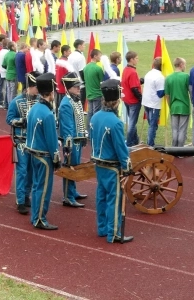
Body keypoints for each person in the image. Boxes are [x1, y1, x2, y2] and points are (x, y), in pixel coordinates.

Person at [90, 79, 133, 244]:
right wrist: (127, 166)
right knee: (114, 200)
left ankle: (102, 228)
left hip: (99, 164)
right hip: (113, 168)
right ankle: (113, 233)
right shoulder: (116, 123)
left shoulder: (95, 117)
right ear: (116, 101)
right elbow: (121, 148)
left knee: (101, 197)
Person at [25, 73, 61, 230]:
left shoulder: (34, 108)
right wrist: (56, 158)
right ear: (51, 92)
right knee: (44, 189)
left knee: (37, 187)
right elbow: (52, 141)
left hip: (33, 152)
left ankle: (35, 216)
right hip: (44, 156)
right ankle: (40, 218)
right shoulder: (47, 114)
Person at [6, 71, 41, 215]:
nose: (38, 90)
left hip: (35, 142)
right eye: (36, 87)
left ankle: (26, 196)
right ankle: (20, 200)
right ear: (30, 87)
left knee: (32, 172)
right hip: (21, 141)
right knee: (22, 171)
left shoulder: (39, 101)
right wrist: (21, 121)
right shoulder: (16, 101)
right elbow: (9, 119)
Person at [58, 72, 87, 208]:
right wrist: (68, 145)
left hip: (78, 139)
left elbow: (80, 120)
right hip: (72, 142)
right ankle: (68, 197)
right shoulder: (66, 104)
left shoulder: (75, 100)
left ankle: (73, 191)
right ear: (69, 88)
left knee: (75, 167)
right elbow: (67, 127)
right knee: (70, 167)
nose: (78, 89)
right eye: (76, 87)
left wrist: (83, 135)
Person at [164, 57, 191, 147]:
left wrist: (170, 105)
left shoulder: (168, 78)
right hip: (184, 106)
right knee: (182, 129)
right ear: (181, 65)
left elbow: (167, 95)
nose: (185, 66)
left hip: (174, 106)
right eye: (185, 64)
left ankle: (174, 148)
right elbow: (190, 91)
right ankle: (180, 149)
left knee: (174, 129)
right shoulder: (186, 76)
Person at [141, 57, 165, 147]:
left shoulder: (148, 73)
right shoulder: (160, 77)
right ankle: (150, 144)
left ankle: (151, 142)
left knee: (152, 124)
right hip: (154, 104)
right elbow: (160, 94)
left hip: (146, 102)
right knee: (153, 125)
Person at [121, 51, 143, 147]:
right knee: (132, 123)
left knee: (132, 121)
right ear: (132, 59)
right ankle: (129, 143)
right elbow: (134, 88)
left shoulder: (126, 69)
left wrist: (140, 81)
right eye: (136, 58)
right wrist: (140, 98)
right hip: (133, 100)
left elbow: (131, 83)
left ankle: (135, 141)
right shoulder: (133, 72)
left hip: (127, 99)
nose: (138, 60)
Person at [83, 49, 105, 131]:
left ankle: (89, 130)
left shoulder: (86, 67)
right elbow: (102, 82)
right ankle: (95, 130)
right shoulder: (98, 68)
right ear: (95, 56)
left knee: (90, 113)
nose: (100, 57)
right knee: (96, 114)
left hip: (89, 94)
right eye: (100, 55)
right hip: (97, 94)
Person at [55, 45, 74, 116]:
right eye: (69, 51)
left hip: (59, 86)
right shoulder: (66, 62)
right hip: (64, 88)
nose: (70, 52)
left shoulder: (58, 61)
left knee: (59, 105)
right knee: (64, 106)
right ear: (65, 52)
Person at [68, 39, 86, 109]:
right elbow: (82, 71)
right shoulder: (81, 57)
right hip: (80, 84)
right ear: (79, 46)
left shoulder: (70, 56)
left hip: (72, 82)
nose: (84, 47)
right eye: (83, 45)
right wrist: (85, 82)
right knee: (81, 103)